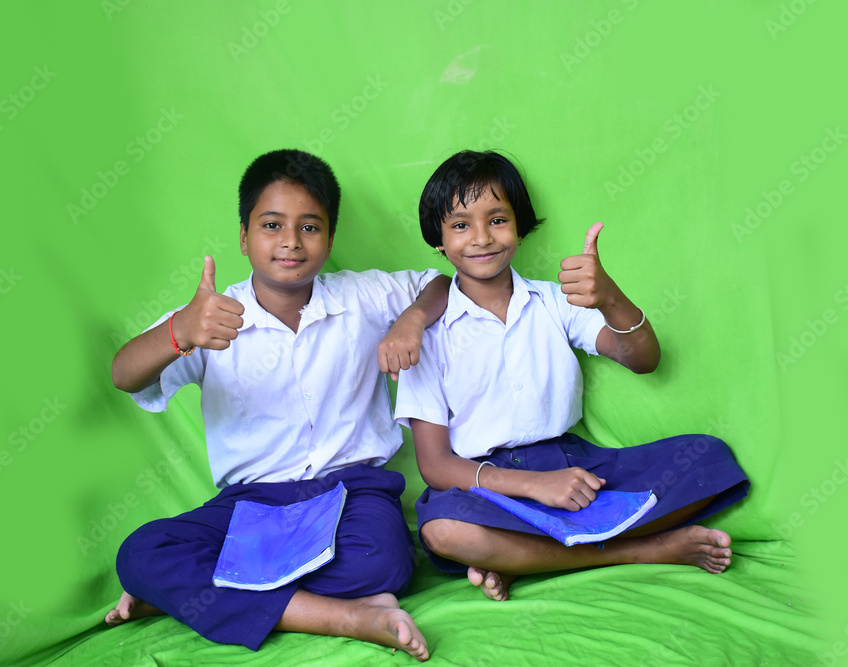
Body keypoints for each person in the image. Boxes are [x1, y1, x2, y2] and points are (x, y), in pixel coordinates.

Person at [104, 149, 447, 660]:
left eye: (310, 227)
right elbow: (124, 374)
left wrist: (412, 320)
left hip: (352, 491)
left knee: (385, 562)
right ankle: (349, 616)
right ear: (244, 236)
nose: (290, 241)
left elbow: (439, 283)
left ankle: (197, 599)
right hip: (251, 505)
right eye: (271, 225)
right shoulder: (210, 317)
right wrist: (179, 332)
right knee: (140, 555)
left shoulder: (364, 296)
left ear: (329, 239)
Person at [394, 150, 749, 602]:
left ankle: (520, 561)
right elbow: (437, 466)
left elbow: (643, 359)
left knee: (709, 458)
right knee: (445, 529)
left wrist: (610, 296)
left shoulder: (553, 302)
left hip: (576, 467)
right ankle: (641, 550)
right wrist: (534, 486)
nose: (481, 237)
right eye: (461, 225)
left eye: (497, 219)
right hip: (487, 483)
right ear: (440, 242)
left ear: (520, 227)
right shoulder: (426, 335)